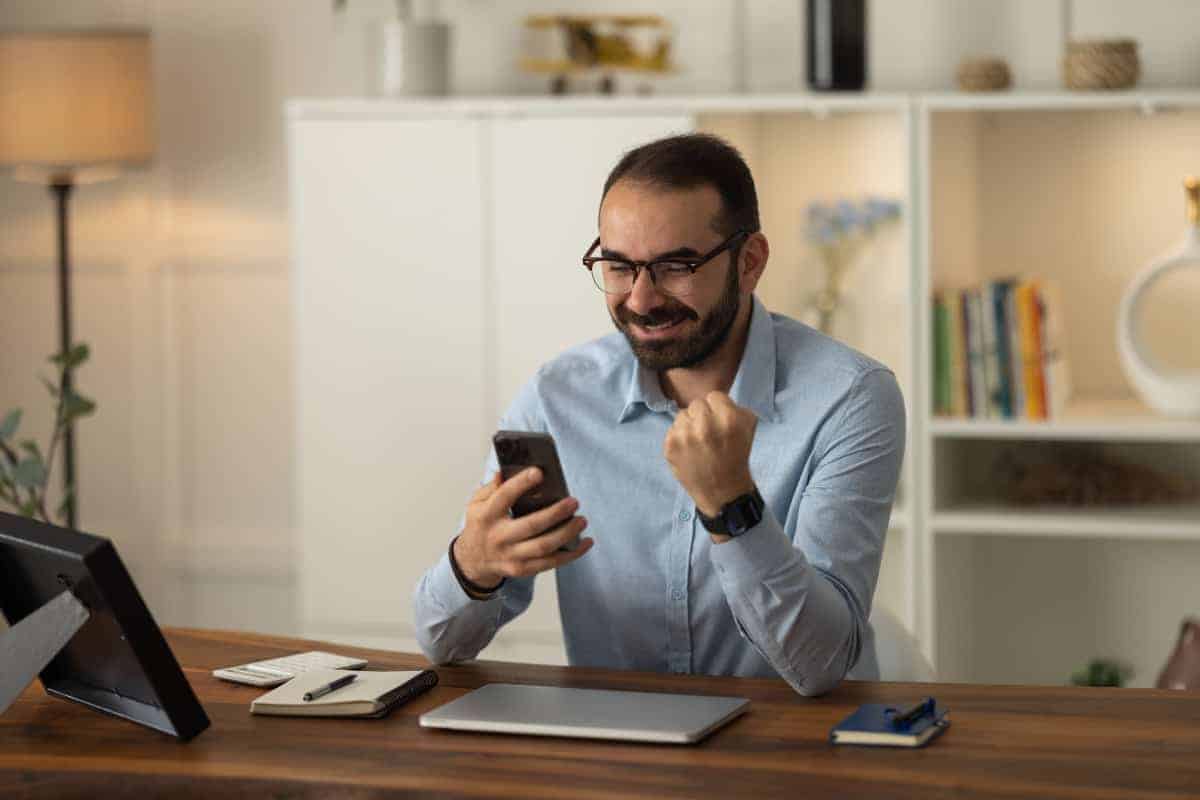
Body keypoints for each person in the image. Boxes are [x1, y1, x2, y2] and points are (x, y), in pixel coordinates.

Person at [412, 133, 905, 696]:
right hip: (617, 757)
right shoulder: (556, 399)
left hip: (791, 756)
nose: (641, 300)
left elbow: (823, 665)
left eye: (675, 266)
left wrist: (733, 508)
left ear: (749, 262)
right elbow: (440, 643)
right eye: (618, 267)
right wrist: (473, 566)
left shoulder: (851, 398)